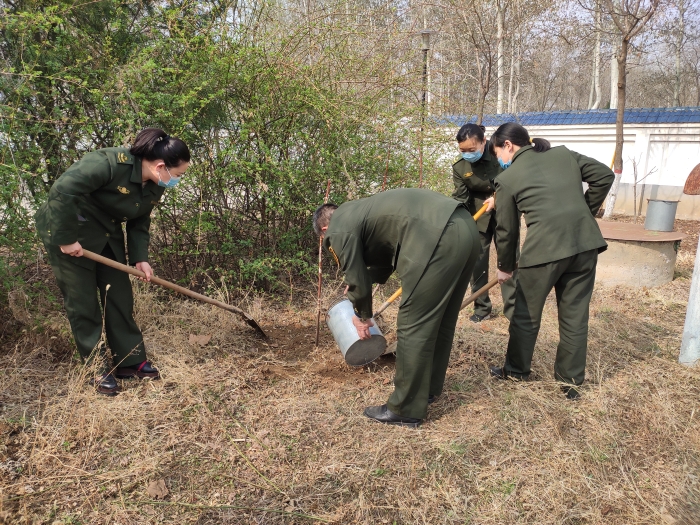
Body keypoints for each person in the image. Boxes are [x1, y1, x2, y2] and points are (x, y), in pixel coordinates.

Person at [35, 128, 191, 396]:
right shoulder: (107, 163)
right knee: (83, 301)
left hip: (107, 234)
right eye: (177, 175)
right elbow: (63, 190)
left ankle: (129, 360)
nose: (177, 181)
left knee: (119, 295)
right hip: (70, 233)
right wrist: (65, 237)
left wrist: (140, 258)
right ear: (161, 166)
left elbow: (140, 219)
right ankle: (96, 367)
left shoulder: (155, 183)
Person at [313, 188, 480, 427]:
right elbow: (385, 255)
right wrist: (364, 284)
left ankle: (406, 408)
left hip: (437, 238)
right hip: (465, 227)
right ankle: (428, 389)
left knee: (413, 324)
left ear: (325, 230)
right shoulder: (358, 211)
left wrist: (362, 315)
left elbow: (356, 276)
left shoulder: (338, 229)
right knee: (441, 318)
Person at [489, 122, 614, 399]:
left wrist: (505, 267)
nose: (499, 160)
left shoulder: (507, 180)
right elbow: (604, 176)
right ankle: (570, 383)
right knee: (575, 316)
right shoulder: (564, 154)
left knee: (526, 315)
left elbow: (507, 231)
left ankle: (516, 371)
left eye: (498, 153)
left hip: (544, 252)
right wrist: (584, 210)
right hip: (584, 245)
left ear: (508, 145)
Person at [452, 123, 518, 322]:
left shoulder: (501, 153)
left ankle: (514, 310)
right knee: (477, 263)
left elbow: (517, 179)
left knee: (510, 260)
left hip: (506, 213)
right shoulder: (460, 168)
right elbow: (460, 199)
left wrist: (499, 199)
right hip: (478, 217)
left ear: (483, 141)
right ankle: (482, 309)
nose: (467, 154)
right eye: (462, 150)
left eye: (471, 150)